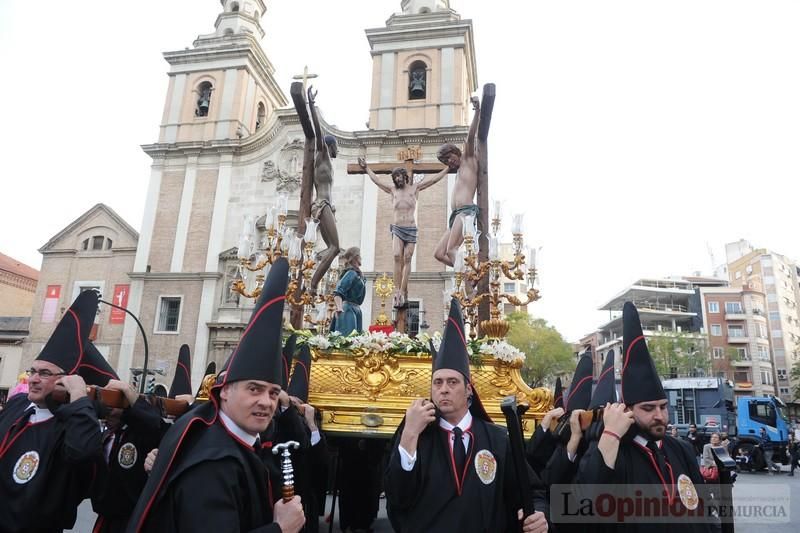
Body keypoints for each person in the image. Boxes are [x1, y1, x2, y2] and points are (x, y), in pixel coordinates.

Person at [126, 258, 305, 532]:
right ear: (224, 392)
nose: (266, 402)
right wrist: (281, 528)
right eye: (254, 389)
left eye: (273, 393)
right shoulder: (213, 465)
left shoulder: (241, 444)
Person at [385, 299, 549, 532]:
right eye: (437, 382)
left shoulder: (498, 440)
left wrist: (540, 513)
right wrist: (409, 434)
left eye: (452, 382)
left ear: (468, 389)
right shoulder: (416, 435)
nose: (443, 389)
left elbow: (532, 491)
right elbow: (396, 496)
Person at [576, 302, 714, 531]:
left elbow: (703, 509)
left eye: (663, 407)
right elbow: (589, 502)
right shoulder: (614, 451)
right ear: (627, 410)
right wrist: (610, 434)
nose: (659, 416)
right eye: (648, 409)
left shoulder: (681, 450)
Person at [0, 290, 103, 532]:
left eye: (44, 373)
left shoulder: (72, 424)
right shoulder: (18, 406)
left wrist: (78, 398)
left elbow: (83, 454)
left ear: (66, 381)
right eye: (33, 370)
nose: (33, 379)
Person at [359, 157, 450, 307]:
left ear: (404, 176)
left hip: (411, 228)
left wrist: (447, 169)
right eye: (395, 177)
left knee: (407, 258)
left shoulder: (415, 188)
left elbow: (433, 180)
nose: (397, 179)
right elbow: (377, 181)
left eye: (399, 176)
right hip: (397, 227)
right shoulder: (392, 190)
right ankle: (396, 290)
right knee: (396, 256)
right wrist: (367, 168)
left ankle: (402, 290)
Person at [434, 96, 481, 267]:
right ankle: (467, 271)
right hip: (455, 216)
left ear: (455, 151)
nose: (449, 162)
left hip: (466, 212)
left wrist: (477, 111)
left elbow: (470, 137)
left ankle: (469, 282)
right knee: (439, 253)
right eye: (445, 161)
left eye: (449, 157)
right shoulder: (458, 171)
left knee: (452, 249)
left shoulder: (468, 159)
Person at [307, 86, 341, 292]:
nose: (339, 149)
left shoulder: (325, 162)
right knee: (335, 247)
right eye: (336, 145)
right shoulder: (323, 155)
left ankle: (313, 280)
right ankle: (312, 283)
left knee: (332, 248)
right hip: (322, 204)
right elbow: (319, 134)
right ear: (330, 146)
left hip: (325, 205)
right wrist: (311, 105)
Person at [330, 247, 366, 335]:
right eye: (360, 256)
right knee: (348, 338)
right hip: (348, 309)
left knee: (356, 341)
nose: (361, 258)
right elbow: (338, 292)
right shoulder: (351, 273)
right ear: (356, 257)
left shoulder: (358, 275)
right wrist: (339, 307)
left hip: (356, 309)